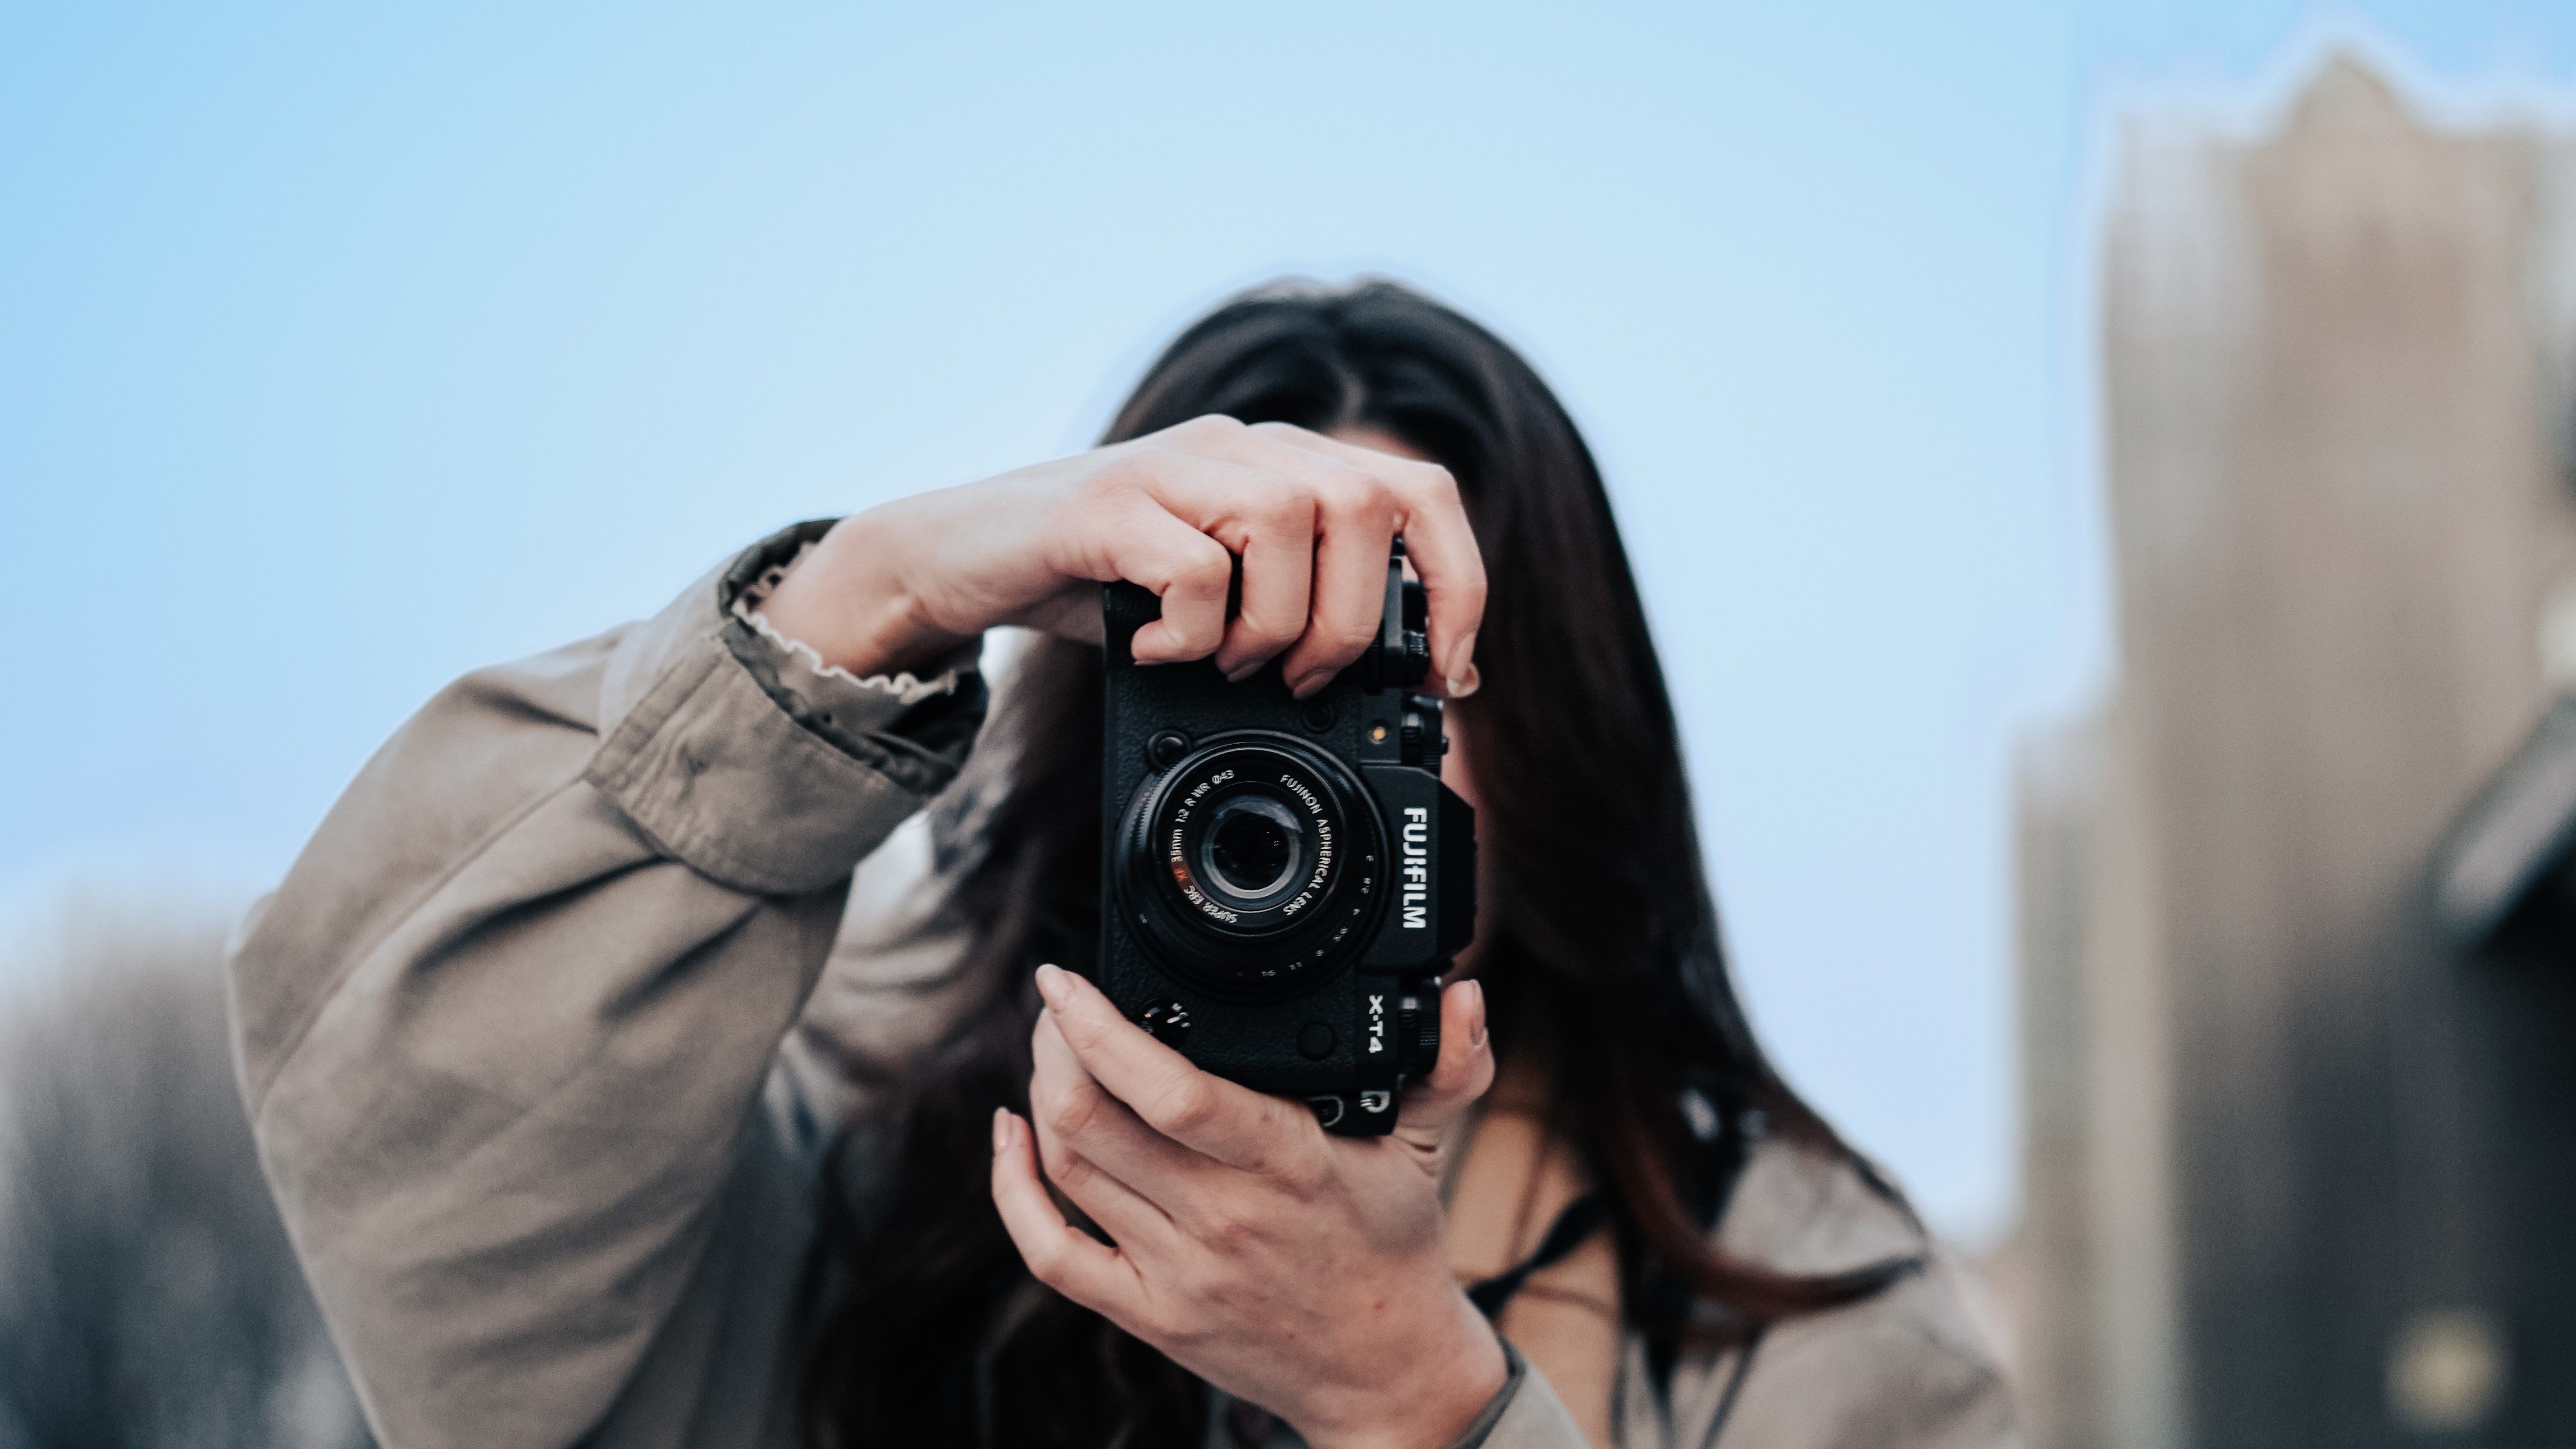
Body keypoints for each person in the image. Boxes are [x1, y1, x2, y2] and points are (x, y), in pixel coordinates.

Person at [231, 280, 2017, 1449]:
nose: (1290, 763)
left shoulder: (1818, 1331)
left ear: (1564, 733)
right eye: (1222, 675)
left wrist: (1416, 1401)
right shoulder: (840, 1188)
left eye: (1387, 671)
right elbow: (407, 1147)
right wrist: (875, 590)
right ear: (1090, 715)